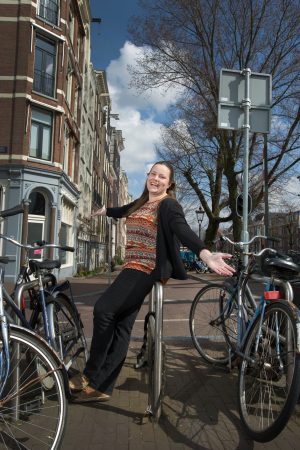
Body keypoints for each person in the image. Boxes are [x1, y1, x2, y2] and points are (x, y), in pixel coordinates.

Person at [70, 161, 235, 402]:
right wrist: (105, 210)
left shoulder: (168, 205)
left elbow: (182, 229)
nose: (155, 179)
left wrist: (206, 254)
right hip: (131, 265)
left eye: (162, 177)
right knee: (122, 324)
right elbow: (125, 209)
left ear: (170, 183)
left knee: (104, 310)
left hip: (145, 268)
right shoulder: (143, 202)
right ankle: (101, 387)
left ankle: (91, 373)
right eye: (153, 174)